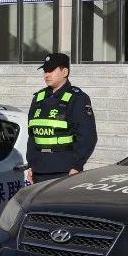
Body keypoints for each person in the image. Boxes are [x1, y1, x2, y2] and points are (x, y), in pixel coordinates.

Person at [26, 53, 97, 185]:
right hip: (39, 169)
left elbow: (87, 136)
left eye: (51, 70)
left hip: (65, 171)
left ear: (65, 72)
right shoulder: (38, 98)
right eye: (45, 71)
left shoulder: (77, 98)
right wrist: (31, 164)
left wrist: (77, 166)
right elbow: (32, 135)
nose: (47, 75)